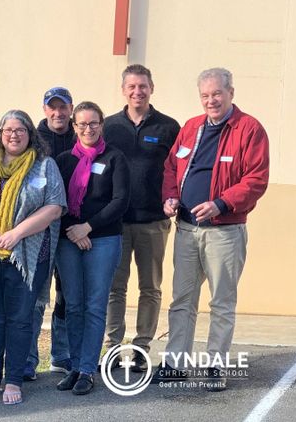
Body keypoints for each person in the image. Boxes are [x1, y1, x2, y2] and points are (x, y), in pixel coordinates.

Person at [153, 68, 269, 391]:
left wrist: (221, 202)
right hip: (187, 229)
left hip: (224, 232)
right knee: (182, 300)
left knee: (221, 302)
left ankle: (215, 367)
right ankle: (176, 363)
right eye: (205, 96)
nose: (211, 100)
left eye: (216, 94)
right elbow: (171, 167)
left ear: (231, 92)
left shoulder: (249, 130)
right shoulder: (191, 127)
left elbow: (256, 179)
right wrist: (170, 196)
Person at [0, 110, 65, 405]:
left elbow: (55, 207)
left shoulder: (44, 165)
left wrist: (16, 233)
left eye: (20, 130)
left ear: (30, 134)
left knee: (21, 319)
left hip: (27, 254)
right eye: (8, 129)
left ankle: (14, 380)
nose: (14, 135)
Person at [103, 65, 180, 369]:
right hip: (115, 224)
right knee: (114, 288)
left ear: (152, 88)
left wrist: (173, 200)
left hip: (153, 223)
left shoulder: (169, 127)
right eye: (132, 86)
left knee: (150, 287)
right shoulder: (109, 127)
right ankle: (112, 347)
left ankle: (142, 347)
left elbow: (178, 169)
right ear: (123, 89)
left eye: (143, 86)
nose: (138, 92)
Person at [54, 101, 130, 395]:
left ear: (102, 125)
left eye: (94, 123)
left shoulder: (115, 158)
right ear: (74, 127)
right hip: (68, 239)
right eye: (82, 124)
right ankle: (74, 366)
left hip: (104, 239)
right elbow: (54, 201)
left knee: (95, 306)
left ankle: (88, 369)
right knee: (73, 305)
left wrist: (88, 227)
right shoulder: (63, 160)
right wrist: (73, 231)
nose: (88, 129)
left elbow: (120, 201)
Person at [25, 87, 76, 381]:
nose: (58, 113)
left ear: (71, 108)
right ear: (45, 109)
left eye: (63, 107)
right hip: (39, 230)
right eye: (52, 107)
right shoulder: (32, 138)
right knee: (35, 296)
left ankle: (61, 354)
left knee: (66, 295)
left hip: (70, 229)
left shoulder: (80, 134)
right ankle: (29, 359)